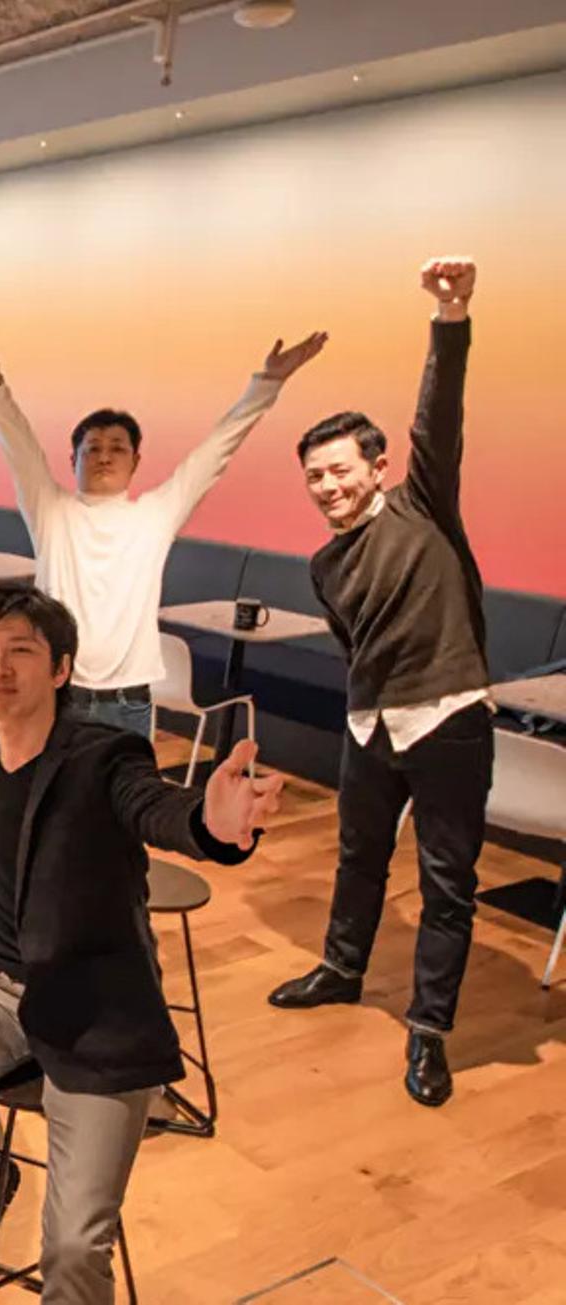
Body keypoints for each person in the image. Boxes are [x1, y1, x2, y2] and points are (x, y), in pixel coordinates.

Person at [0, 582, 282, 1302]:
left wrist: (212, 822)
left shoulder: (106, 758)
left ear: (62, 668)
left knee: (73, 1249)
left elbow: (156, 807)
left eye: (20, 651)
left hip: (94, 1009)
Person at [267, 258, 493, 1110]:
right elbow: (355, 644)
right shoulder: (324, 564)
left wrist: (450, 316)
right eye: (314, 477)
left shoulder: (422, 505)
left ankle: (429, 1029)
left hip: (448, 719)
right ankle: (342, 966)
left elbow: (442, 414)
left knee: (447, 882)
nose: (327, 486)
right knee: (358, 855)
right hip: (369, 724)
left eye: (340, 470)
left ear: (378, 466)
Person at [0, 327, 328, 736]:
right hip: (58, 695)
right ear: (73, 459)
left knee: (124, 782)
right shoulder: (51, 511)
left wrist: (267, 383)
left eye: (117, 448)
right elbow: (19, 445)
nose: (104, 457)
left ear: (135, 461)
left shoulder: (154, 515)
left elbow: (216, 450)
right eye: (92, 448)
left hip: (127, 702)